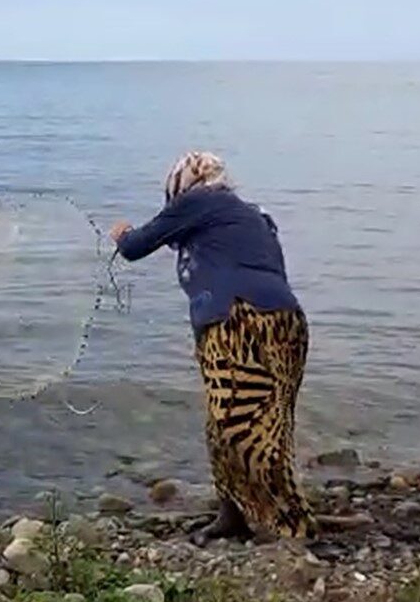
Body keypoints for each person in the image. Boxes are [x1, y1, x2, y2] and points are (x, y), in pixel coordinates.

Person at [109, 151, 316, 543]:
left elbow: (137, 245)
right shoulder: (250, 215)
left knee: (244, 429)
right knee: (241, 425)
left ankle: (291, 528)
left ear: (181, 185)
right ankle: (234, 516)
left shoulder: (200, 201)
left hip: (240, 322)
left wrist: (121, 234)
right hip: (284, 323)